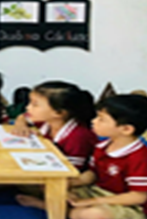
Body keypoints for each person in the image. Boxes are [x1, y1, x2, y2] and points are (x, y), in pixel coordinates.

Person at [67, 94, 147, 219]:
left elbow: (138, 197)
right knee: (56, 190)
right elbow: (93, 174)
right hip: (99, 192)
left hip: (134, 207)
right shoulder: (102, 146)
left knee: (93, 215)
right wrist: (71, 183)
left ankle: (61, 211)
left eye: (101, 119)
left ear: (126, 129)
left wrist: (92, 201)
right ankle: (66, 210)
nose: (93, 121)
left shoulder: (141, 158)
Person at [10, 81, 97, 209]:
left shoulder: (78, 136)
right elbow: (22, 117)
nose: (28, 108)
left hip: (74, 180)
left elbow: (72, 172)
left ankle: (45, 205)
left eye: (35, 105)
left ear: (59, 113)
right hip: (48, 170)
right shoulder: (46, 121)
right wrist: (20, 125)